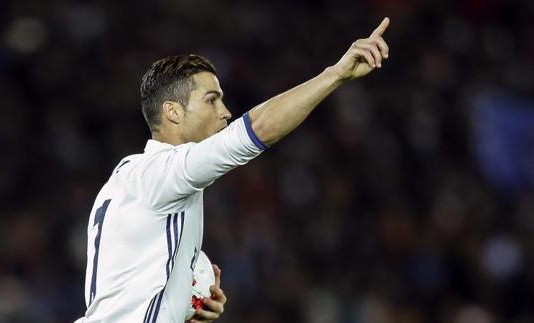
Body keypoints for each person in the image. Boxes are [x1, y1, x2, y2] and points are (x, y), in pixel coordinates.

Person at [76, 17, 390, 323]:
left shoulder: (131, 179)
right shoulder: (161, 173)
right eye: (211, 100)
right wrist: (335, 74)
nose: (225, 112)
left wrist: (185, 307)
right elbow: (258, 129)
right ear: (172, 112)